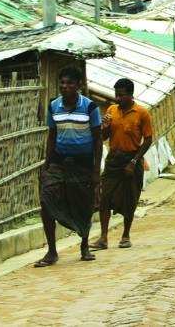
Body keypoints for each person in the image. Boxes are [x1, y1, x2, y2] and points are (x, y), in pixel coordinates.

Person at [35, 66, 103, 267]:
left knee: (84, 203)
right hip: (59, 161)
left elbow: (98, 139)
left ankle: (84, 246)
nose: (65, 86)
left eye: (70, 83)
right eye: (62, 83)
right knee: (46, 201)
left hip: (83, 162)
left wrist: (96, 171)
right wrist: (47, 165)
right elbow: (52, 136)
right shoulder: (54, 106)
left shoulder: (90, 107)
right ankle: (51, 251)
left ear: (78, 85)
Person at [91, 78, 153, 252]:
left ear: (131, 95)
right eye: (116, 95)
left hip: (131, 159)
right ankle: (103, 237)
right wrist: (105, 127)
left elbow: (148, 139)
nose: (118, 98)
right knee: (104, 198)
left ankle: (126, 235)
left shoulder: (142, 113)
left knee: (130, 199)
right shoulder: (112, 110)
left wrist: (134, 161)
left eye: (121, 95)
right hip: (114, 160)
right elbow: (104, 137)